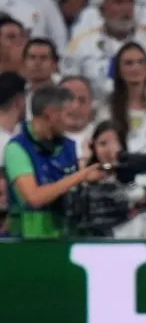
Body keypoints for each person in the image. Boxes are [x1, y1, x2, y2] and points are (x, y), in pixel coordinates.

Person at [4, 84, 106, 238]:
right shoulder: (17, 149)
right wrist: (81, 176)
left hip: (67, 238)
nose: (69, 123)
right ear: (51, 114)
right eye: (67, 115)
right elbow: (34, 198)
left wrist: (88, 181)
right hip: (28, 241)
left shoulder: (68, 146)